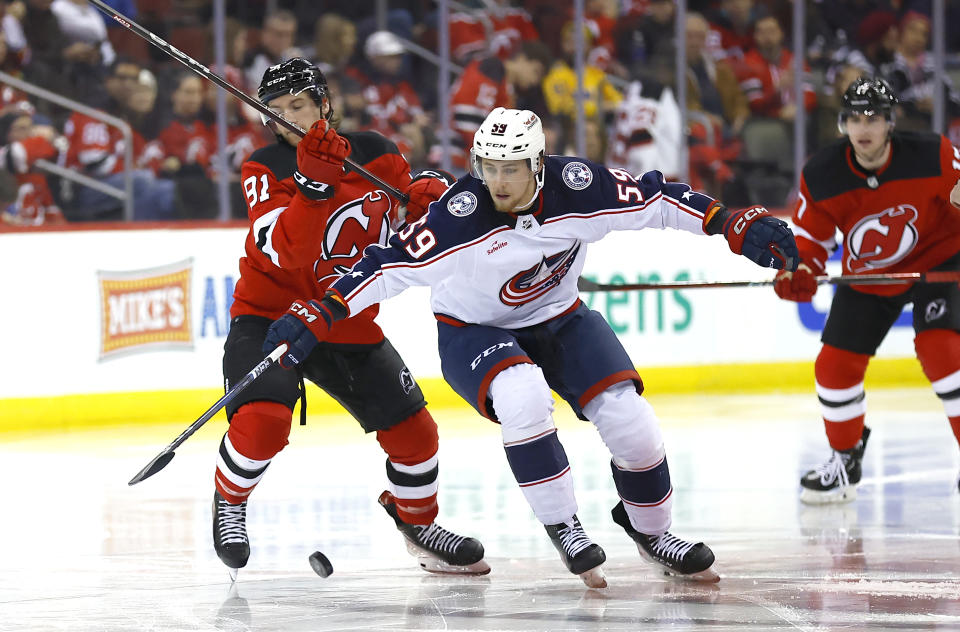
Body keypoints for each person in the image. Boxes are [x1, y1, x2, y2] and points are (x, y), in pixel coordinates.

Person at [262, 106, 800, 587]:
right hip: (474, 329)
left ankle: (653, 532)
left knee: (631, 420)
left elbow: (658, 199)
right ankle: (565, 525)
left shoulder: (581, 186)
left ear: (538, 164)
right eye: (487, 167)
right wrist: (319, 312)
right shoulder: (458, 216)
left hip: (560, 318)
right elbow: (383, 270)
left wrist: (726, 221)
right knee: (522, 395)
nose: (497, 181)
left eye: (511, 168)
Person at [212, 58, 488, 578]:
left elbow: (411, 227)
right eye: (277, 112)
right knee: (263, 424)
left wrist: (431, 199)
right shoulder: (264, 167)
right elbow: (286, 254)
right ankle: (229, 501)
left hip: (344, 315)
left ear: (324, 105)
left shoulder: (377, 153)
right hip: (272, 315)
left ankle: (418, 523)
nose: (289, 118)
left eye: (299, 106)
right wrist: (312, 185)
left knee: (416, 434)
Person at [774, 77, 960, 503]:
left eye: (873, 117)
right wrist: (797, 270)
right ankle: (845, 461)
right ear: (843, 124)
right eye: (854, 118)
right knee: (834, 368)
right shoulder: (822, 173)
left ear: (890, 122)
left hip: (940, 263)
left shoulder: (933, 153)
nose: (864, 128)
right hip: (871, 275)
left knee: (944, 352)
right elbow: (810, 242)